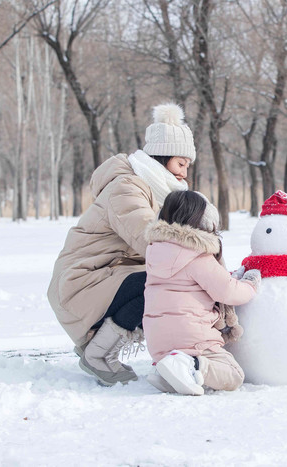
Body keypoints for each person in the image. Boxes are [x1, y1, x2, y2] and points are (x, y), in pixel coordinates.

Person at [47, 103, 196, 386]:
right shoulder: (127, 187)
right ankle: (99, 354)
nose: (185, 173)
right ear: (162, 158)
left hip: (106, 277)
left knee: (170, 280)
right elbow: (150, 241)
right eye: (181, 163)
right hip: (81, 283)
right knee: (163, 284)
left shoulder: (155, 190)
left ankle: (102, 347)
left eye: (188, 165)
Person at [142, 190, 261, 395]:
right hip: (191, 337)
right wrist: (250, 284)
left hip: (157, 339)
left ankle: (169, 370)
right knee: (233, 374)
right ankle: (192, 366)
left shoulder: (155, 251)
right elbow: (228, 291)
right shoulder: (196, 255)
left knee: (181, 361)